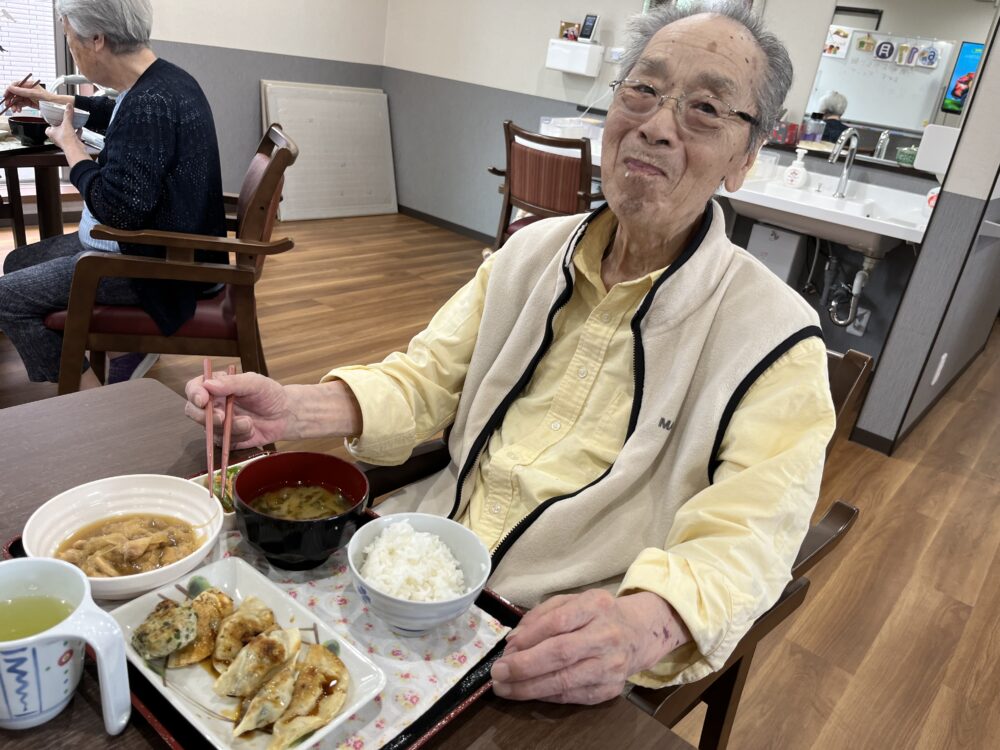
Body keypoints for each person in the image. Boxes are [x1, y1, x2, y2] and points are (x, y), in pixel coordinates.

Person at [185, 0, 835, 705]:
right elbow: (425, 378)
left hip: (556, 640)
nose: (655, 125)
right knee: (217, 668)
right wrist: (294, 407)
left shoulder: (777, 338)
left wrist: (642, 625)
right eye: (642, 89)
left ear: (744, 159)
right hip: (413, 562)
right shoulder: (529, 253)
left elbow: (750, 538)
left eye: (705, 108)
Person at [0, 0, 225, 388]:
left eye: (70, 40)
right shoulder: (164, 80)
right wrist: (46, 100)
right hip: (166, 248)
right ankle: (105, 349)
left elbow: (116, 211)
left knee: (7, 296)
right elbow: (111, 110)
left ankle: (92, 401)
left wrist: (72, 146)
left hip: (158, 269)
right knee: (18, 261)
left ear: (96, 39)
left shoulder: (149, 104)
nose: (71, 48)